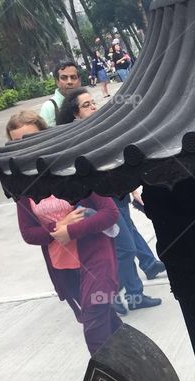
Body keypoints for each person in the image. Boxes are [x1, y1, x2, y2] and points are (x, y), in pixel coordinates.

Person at [5, 109, 124, 381]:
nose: (25, 146)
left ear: (47, 135)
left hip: (96, 258)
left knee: (95, 325)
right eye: (17, 142)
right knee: (108, 324)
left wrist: (72, 229)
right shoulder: (21, 184)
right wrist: (57, 231)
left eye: (31, 138)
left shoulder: (72, 168)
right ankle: (139, 372)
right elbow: (28, 233)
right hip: (65, 268)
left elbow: (109, 213)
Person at [56, 89, 164, 313]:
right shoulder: (76, 137)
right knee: (125, 248)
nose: (93, 107)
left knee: (127, 244)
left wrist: (131, 188)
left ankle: (134, 294)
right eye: (86, 105)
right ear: (75, 113)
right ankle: (112, 292)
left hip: (117, 193)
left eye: (93, 102)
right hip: (99, 199)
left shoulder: (99, 128)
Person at [40, 60, 82, 127]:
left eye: (73, 77)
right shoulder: (49, 107)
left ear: (79, 81)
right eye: (64, 78)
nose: (69, 82)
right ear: (57, 82)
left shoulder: (86, 101)